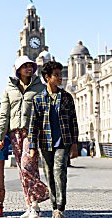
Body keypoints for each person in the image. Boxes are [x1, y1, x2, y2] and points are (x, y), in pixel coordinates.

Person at [0, 56, 49, 218]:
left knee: (27, 166)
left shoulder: (40, 87)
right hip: (14, 133)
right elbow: (4, 115)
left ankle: (46, 192)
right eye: (25, 66)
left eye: (30, 66)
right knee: (23, 170)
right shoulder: (9, 89)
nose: (28, 68)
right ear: (18, 69)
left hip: (32, 132)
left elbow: (45, 111)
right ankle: (32, 206)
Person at [28, 61, 79, 218]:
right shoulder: (38, 99)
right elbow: (33, 124)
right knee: (49, 173)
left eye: (60, 75)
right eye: (56, 75)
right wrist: (32, 146)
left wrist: (75, 144)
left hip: (63, 142)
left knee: (60, 172)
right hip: (45, 142)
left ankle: (59, 208)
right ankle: (54, 205)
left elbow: (73, 121)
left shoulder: (66, 98)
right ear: (47, 77)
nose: (60, 78)